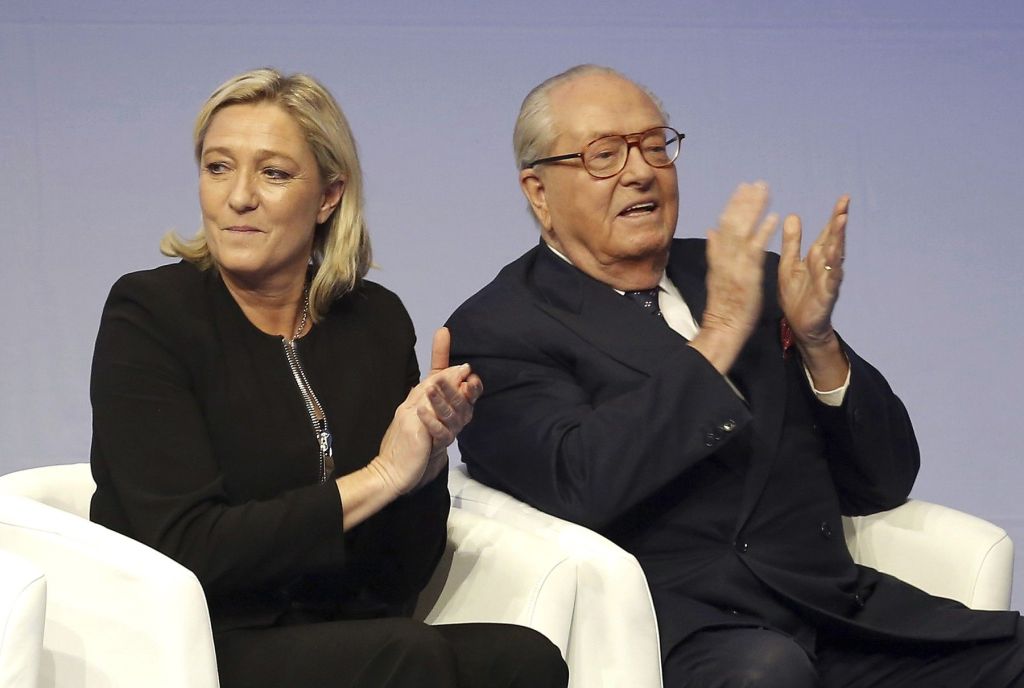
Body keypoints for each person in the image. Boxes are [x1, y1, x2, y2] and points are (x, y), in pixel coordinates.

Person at [445, 64, 1024, 687]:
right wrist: (717, 337)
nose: (641, 172)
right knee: (767, 674)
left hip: (834, 614)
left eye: (654, 145)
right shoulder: (497, 329)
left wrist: (818, 343)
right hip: (676, 632)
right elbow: (577, 482)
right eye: (604, 155)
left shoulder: (751, 276)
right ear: (538, 191)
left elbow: (884, 481)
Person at [89, 68, 567, 688]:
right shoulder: (150, 315)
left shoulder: (374, 320)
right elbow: (187, 546)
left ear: (328, 196)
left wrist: (424, 466)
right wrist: (380, 477)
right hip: (193, 642)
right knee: (405, 656)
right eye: (218, 167)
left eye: (273, 173)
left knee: (525, 658)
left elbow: (399, 575)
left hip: (340, 631)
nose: (239, 196)